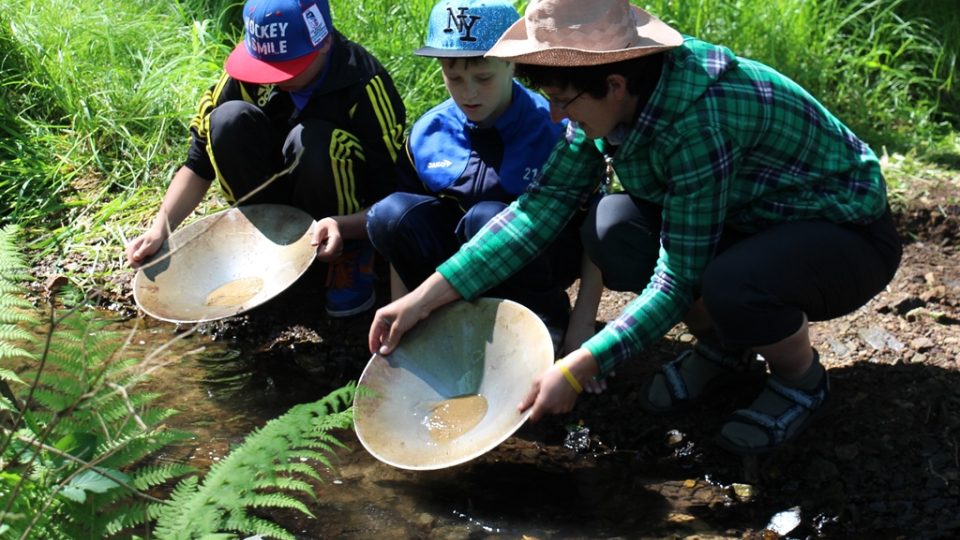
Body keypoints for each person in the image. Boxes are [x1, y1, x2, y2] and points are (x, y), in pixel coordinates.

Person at [368, 0, 902, 455]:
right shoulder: (602, 99)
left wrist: (579, 366)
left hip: (842, 236)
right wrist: (424, 298)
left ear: (615, 83)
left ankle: (800, 380)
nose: (554, 117)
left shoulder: (698, 120)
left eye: (563, 101)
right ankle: (724, 347)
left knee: (731, 283)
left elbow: (678, 277)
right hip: (747, 217)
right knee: (612, 226)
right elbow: (538, 210)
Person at [125, 0, 406, 318]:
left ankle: (348, 258)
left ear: (324, 42)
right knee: (226, 120)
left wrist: (350, 227)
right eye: (266, 67)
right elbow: (198, 163)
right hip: (274, 200)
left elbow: (390, 191)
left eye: (288, 67)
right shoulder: (248, 78)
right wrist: (160, 228)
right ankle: (260, 242)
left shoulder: (364, 84)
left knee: (315, 140)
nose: (275, 78)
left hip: (341, 213)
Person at [365, 0, 601, 351]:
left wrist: (581, 330)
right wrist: (404, 307)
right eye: (454, 77)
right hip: (454, 265)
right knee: (389, 213)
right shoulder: (428, 133)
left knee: (487, 217)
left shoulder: (556, 130)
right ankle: (439, 318)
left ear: (512, 63)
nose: (468, 92)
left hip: (540, 258)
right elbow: (402, 233)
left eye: (483, 77)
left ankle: (542, 324)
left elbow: (593, 231)